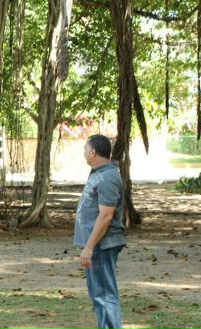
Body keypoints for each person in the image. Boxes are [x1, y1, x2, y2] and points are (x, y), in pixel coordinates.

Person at [74, 134, 126, 329]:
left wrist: (89, 247)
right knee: (98, 294)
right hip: (96, 244)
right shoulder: (99, 173)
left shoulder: (107, 177)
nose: (84, 152)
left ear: (93, 152)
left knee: (105, 295)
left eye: (85, 149)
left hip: (102, 245)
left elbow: (105, 216)